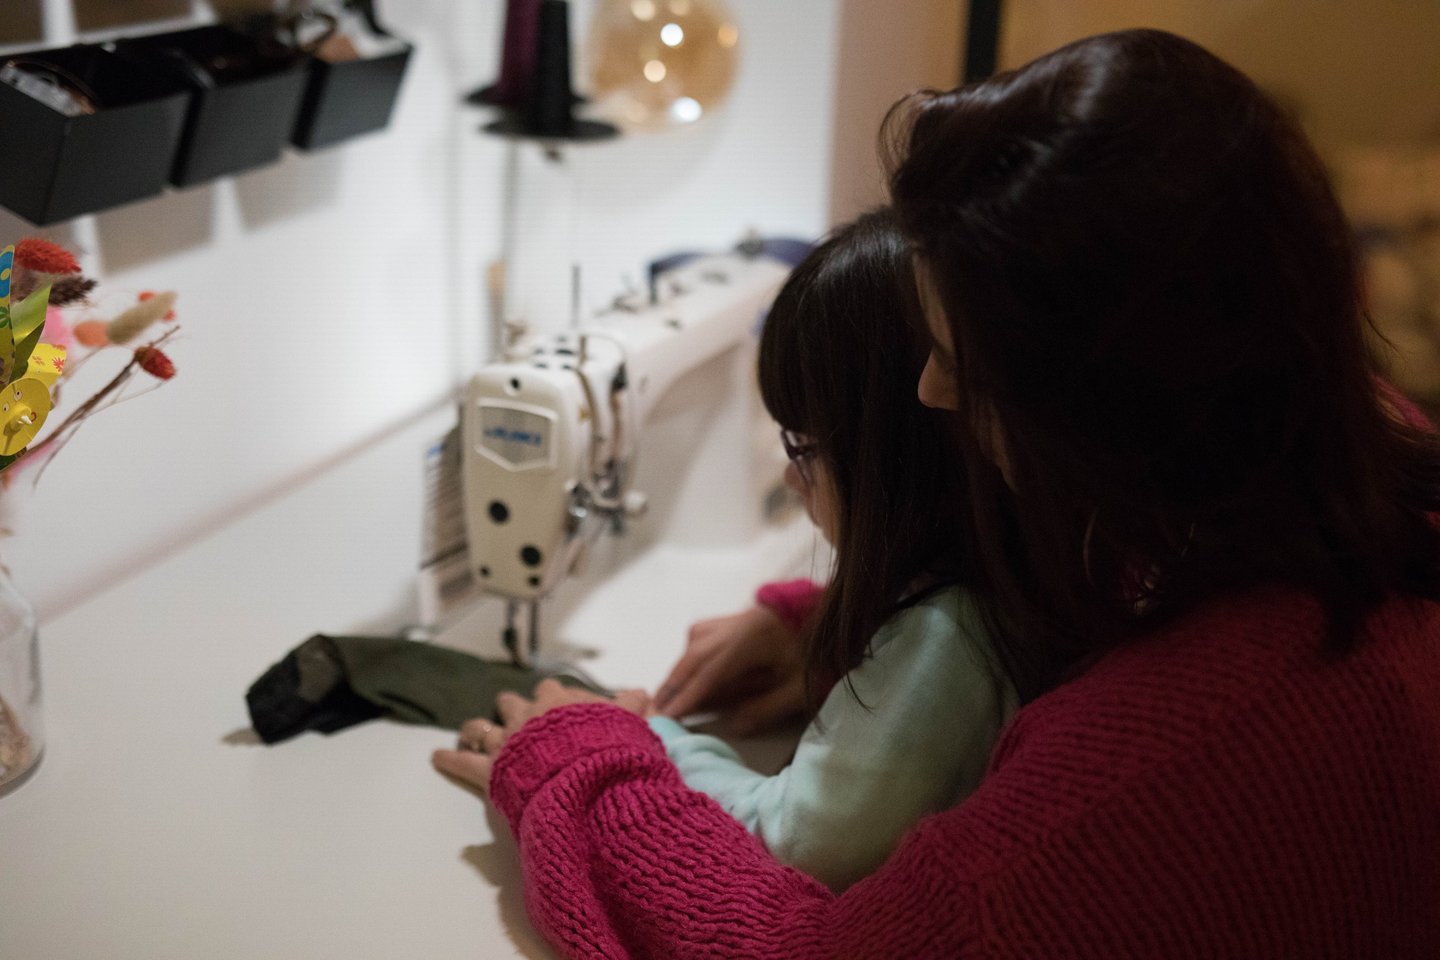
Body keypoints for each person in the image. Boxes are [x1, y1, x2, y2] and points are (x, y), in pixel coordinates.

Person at [432, 29, 1440, 958]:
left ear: (1099, 403)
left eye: (965, 364)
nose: (930, 393)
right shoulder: (1360, 447)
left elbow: (808, 949)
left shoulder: (1154, 777)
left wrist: (590, 765)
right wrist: (835, 623)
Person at [644, 210, 1013, 892]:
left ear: (898, 459)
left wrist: (646, 742)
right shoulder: (996, 590)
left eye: (807, 449)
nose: (793, 478)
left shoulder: (947, 637)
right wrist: (819, 631)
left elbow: (797, 844)